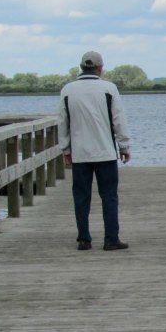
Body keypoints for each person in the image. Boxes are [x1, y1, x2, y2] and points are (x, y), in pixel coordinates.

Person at [58, 50, 131, 251]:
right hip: (105, 152)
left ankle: (84, 238)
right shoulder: (109, 88)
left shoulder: (68, 90)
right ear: (100, 68)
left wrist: (65, 150)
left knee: (81, 196)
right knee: (109, 196)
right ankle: (111, 238)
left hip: (80, 153)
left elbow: (62, 123)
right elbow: (118, 120)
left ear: (82, 67)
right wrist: (124, 146)